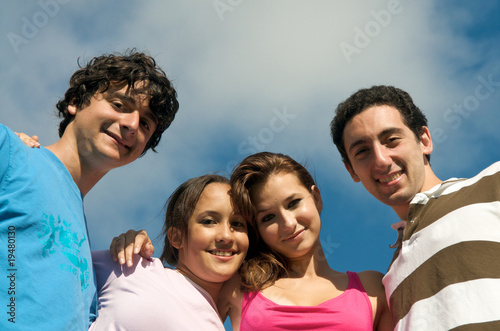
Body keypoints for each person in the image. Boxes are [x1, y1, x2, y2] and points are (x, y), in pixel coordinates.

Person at [0, 50, 179, 330]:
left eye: (145, 123)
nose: (131, 125)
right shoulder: (10, 150)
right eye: (120, 104)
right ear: (75, 102)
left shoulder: (85, 246)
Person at [330, 85, 500, 329]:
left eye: (391, 140)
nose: (380, 160)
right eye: (363, 151)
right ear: (351, 171)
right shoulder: (387, 280)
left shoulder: (493, 184)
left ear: (424, 140)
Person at [219, 151, 393, 330]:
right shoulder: (238, 287)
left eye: (293, 203)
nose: (288, 224)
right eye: (268, 217)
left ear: (316, 198)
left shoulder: (371, 288)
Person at [89, 174, 249, 330]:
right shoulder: (130, 265)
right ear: (176, 237)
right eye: (208, 221)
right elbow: (66, 259)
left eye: (238, 223)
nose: (226, 236)